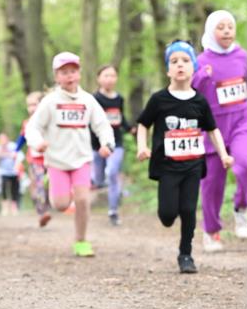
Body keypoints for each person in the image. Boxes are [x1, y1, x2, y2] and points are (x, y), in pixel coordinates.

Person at [137, 40, 234, 274]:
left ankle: (186, 255)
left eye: (185, 61)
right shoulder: (159, 99)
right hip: (167, 166)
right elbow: (143, 123)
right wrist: (142, 146)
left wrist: (223, 154)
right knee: (168, 215)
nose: (180, 65)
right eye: (174, 61)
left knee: (189, 210)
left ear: (194, 67)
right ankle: (171, 214)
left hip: (192, 164)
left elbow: (212, 129)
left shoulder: (199, 101)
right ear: (168, 69)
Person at [192, 11, 247, 251]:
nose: (227, 31)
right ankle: (212, 231)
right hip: (212, 129)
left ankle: (241, 207)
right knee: (212, 183)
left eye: (230, 26)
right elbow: (191, 91)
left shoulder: (241, 56)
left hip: (241, 124)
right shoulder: (201, 61)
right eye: (221, 27)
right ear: (210, 32)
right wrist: (200, 77)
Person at [25, 51, 115, 257]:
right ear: (57, 76)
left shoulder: (87, 100)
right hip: (56, 161)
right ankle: (54, 187)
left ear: (79, 73)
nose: (69, 76)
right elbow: (33, 127)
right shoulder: (50, 101)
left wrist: (107, 144)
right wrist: (37, 143)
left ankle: (81, 241)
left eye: (73, 71)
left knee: (83, 200)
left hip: (81, 159)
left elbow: (102, 125)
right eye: (64, 72)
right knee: (61, 204)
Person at [91, 64, 131, 226]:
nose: (109, 79)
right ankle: (98, 181)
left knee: (113, 172)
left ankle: (113, 211)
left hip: (116, 143)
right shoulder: (94, 99)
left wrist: (131, 129)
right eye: (106, 75)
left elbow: (121, 118)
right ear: (99, 79)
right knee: (99, 179)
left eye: (112, 75)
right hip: (96, 145)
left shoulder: (119, 98)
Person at [16, 91, 51, 226]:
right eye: (29, 105)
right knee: (39, 184)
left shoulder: (49, 120)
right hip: (35, 159)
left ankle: (49, 204)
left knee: (49, 184)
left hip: (51, 158)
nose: (32, 108)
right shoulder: (27, 123)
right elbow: (21, 139)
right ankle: (43, 213)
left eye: (35, 104)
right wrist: (15, 151)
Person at [0, 132, 19, 215]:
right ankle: (5, 207)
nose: (2, 140)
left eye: (4, 138)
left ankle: (14, 207)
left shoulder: (13, 145)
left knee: (14, 190)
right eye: (0, 139)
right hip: (3, 172)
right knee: (4, 189)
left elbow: (18, 156)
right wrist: (2, 150)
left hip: (14, 171)